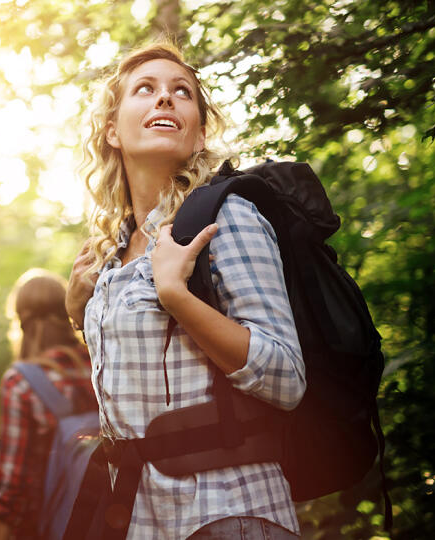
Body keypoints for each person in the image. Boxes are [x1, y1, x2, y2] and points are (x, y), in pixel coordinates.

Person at [64, 40, 306, 539]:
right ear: (112, 130)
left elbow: (285, 377)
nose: (165, 99)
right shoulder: (109, 254)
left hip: (229, 512)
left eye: (182, 93)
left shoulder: (224, 217)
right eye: (145, 89)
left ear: (198, 135)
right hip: (141, 520)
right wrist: (77, 314)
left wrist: (177, 296)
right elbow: (141, 380)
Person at [0, 269, 97, 540]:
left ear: (20, 321)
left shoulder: (22, 382)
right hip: (112, 517)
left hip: (47, 525)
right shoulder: (98, 362)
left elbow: (13, 485)